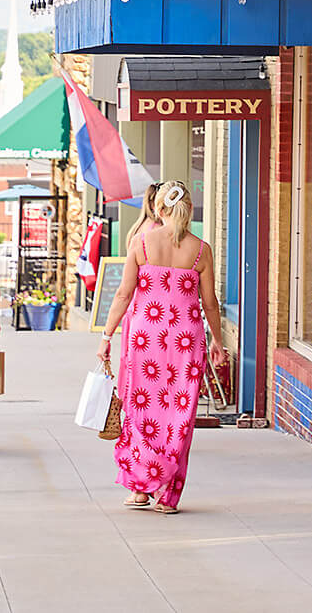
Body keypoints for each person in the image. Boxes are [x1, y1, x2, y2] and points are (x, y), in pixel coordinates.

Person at [97, 179, 223, 513]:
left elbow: (123, 294)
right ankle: (167, 494)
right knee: (178, 414)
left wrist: (106, 336)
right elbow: (209, 303)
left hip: (144, 340)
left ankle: (140, 488)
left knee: (141, 410)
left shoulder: (142, 242)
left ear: (160, 208)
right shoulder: (201, 250)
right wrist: (219, 342)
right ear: (188, 211)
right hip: (186, 342)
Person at [115, 182, 162, 422]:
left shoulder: (138, 227)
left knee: (132, 363)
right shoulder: (154, 230)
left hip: (135, 308)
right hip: (147, 307)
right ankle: (143, 418)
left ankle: (133, 414)